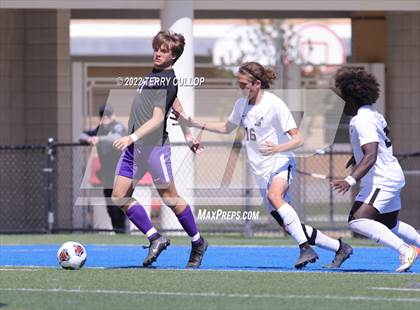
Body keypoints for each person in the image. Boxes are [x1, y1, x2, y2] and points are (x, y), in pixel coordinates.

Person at [172, 61, 353, 269]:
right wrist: (194, 123)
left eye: (244, 84)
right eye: (239, 84)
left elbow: (298, 139)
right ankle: (340, 248)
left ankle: (305, 248)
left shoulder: (274, 104)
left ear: (257, 83)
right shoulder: (241, 105)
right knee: (289, 225)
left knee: (274, 196)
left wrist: (278, 148)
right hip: (261, 172)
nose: (241, 89)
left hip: (280, 162)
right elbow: (226, 127)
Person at [111, 30, 207, 268]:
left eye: (164, 51)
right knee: (119, 195)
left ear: (173, 56)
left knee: (169, 198)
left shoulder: (167, 79)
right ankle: (155, 237)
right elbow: (176, 105)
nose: (158, 53)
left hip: (154, 148)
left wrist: (130, 136)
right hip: (136, 148)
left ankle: (197, 241)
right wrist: (188, 134)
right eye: (157, 48)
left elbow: (157, 119)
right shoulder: (155, 75)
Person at [331, 67, 420, 272]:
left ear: (351, 97)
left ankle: (406, 250)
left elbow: (371, 153)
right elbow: (381, 138)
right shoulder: (372, 113)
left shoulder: (362, 120)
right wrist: (356, 155)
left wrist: (349, 180)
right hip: (389, 175)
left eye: (342, 97)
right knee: (389, 224)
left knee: (357, 221)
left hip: (382, 179)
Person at [79, 104, 127, 233]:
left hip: (121, 173)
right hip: (107, 175)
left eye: (108, 115)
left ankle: (123, 230)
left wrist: (98, 139)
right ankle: (118, 231)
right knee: (111, 206)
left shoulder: (118, 126)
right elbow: (81, 136)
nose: (105, 117)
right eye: (102, 115)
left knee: (120, 205)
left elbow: (116, 138)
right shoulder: (100, 129)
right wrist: (89, 138)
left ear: (113, 115)